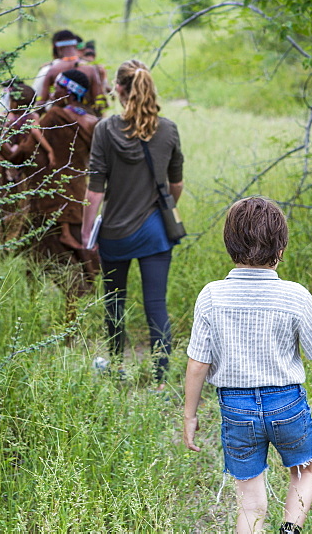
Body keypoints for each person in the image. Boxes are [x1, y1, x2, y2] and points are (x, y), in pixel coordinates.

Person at [183, 197, 312, 534]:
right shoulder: (294, 295)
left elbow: (196, 364)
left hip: (236, 408)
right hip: (286, 403)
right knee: (305, 469)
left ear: (229, 244)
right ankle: (290, 529)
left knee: (250, 504)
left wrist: (190, 415)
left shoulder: (211, 296)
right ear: (281, 248)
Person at [81, 60, 183, 385]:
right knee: (157, 305)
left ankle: (114, 364)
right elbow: (176, 183)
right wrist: (163, 206)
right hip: (155, 232)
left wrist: (87, 233)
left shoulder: (105, 130)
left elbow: (94, 191)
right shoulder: (167, 129)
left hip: (114, 234)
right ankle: (160, 381)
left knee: (114, 303)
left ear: (119, 89)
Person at [19, 69, 100, 284]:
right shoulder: (93, 121)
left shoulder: (55, 116)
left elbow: (26, 152)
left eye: (58, 87)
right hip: (77, 196)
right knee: (81, 254)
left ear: (70, 92)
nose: (53, 92)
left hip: (50, 198)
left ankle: (58, 301)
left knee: (42, 254)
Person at [35, 29, 107, 116]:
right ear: (76, 45)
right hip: (87, 119)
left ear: (57, 48)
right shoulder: (90, 69)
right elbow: (99, 101)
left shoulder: (53, 70)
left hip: (60, 121)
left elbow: (41, 104)